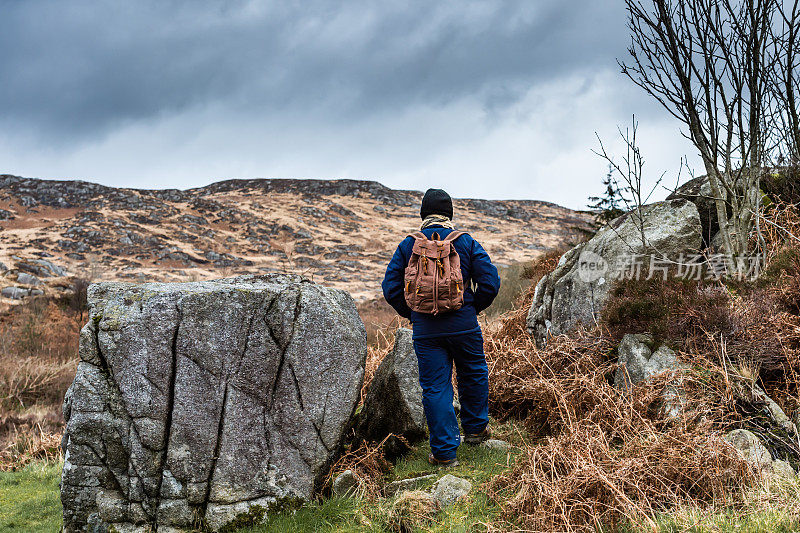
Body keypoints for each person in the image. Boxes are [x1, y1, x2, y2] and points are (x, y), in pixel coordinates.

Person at [382, 188, 501, 466]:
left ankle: (445, 453)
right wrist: (472, 308)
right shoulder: (466, 242)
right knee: (473, 374)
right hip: (464, 325)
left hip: (427, 330)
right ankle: (474, 430)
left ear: (424, 214)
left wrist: (413, 314)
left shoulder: (408, 245)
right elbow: (491, 283)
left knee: (436, 387)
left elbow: (390, 287)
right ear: (449, 214)